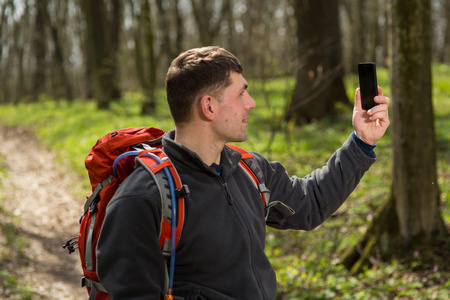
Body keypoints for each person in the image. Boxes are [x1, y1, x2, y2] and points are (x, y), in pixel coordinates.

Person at [96, 46, 390, 300]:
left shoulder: (249, 170)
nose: (251, 104)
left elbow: (309, 204)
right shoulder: (143, 198)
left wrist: (362, 142)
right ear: (209, 106)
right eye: (241, 94)